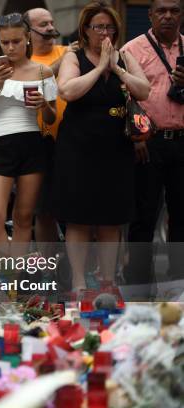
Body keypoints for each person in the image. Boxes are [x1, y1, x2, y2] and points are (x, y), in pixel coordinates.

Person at [54, 1, 149, 293]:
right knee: (79, 218)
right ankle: (80, 282)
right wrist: (99, 69)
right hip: (78, 148)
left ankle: (108, 282)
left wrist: (116, 69)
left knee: (111, 218)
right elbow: (67, 90)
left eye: (109, 27)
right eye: (98, 27)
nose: (104, 32)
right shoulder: (75, 56)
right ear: (86, 29)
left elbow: (144, 89)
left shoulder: (125, 57)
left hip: (115, 148)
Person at [0, 13, 57, 258]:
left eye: (16, 41)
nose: (11, 47)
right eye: (5, 42)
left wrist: (43, 104)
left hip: (32, 142)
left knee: (24, 217)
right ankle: (5, 275)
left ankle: (16, 281)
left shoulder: (43, 72)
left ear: (27, 39)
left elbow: (51, 119)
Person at [122, 0, 184, 289]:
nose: (168, 16)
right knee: (143, 217)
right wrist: (136, 136)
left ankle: (178, 284)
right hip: (148, 142)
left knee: (181, 216)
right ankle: (138, 286)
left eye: (174, 10)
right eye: (161, 11)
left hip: (182, 141)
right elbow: (125, 98)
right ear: (150, 15)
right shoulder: (131, 49)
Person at [24, 8, 79, 256]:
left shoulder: (69, 53)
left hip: (73, 143)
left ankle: (77, 268)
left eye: (51, 23)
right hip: (35, 145)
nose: (50, 28)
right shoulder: (23, 60)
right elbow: (33, 79)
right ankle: (48, 269)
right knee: (43, 212)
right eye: (43, 24)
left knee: (77, 209)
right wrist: (60, 64)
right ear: (28, 31)